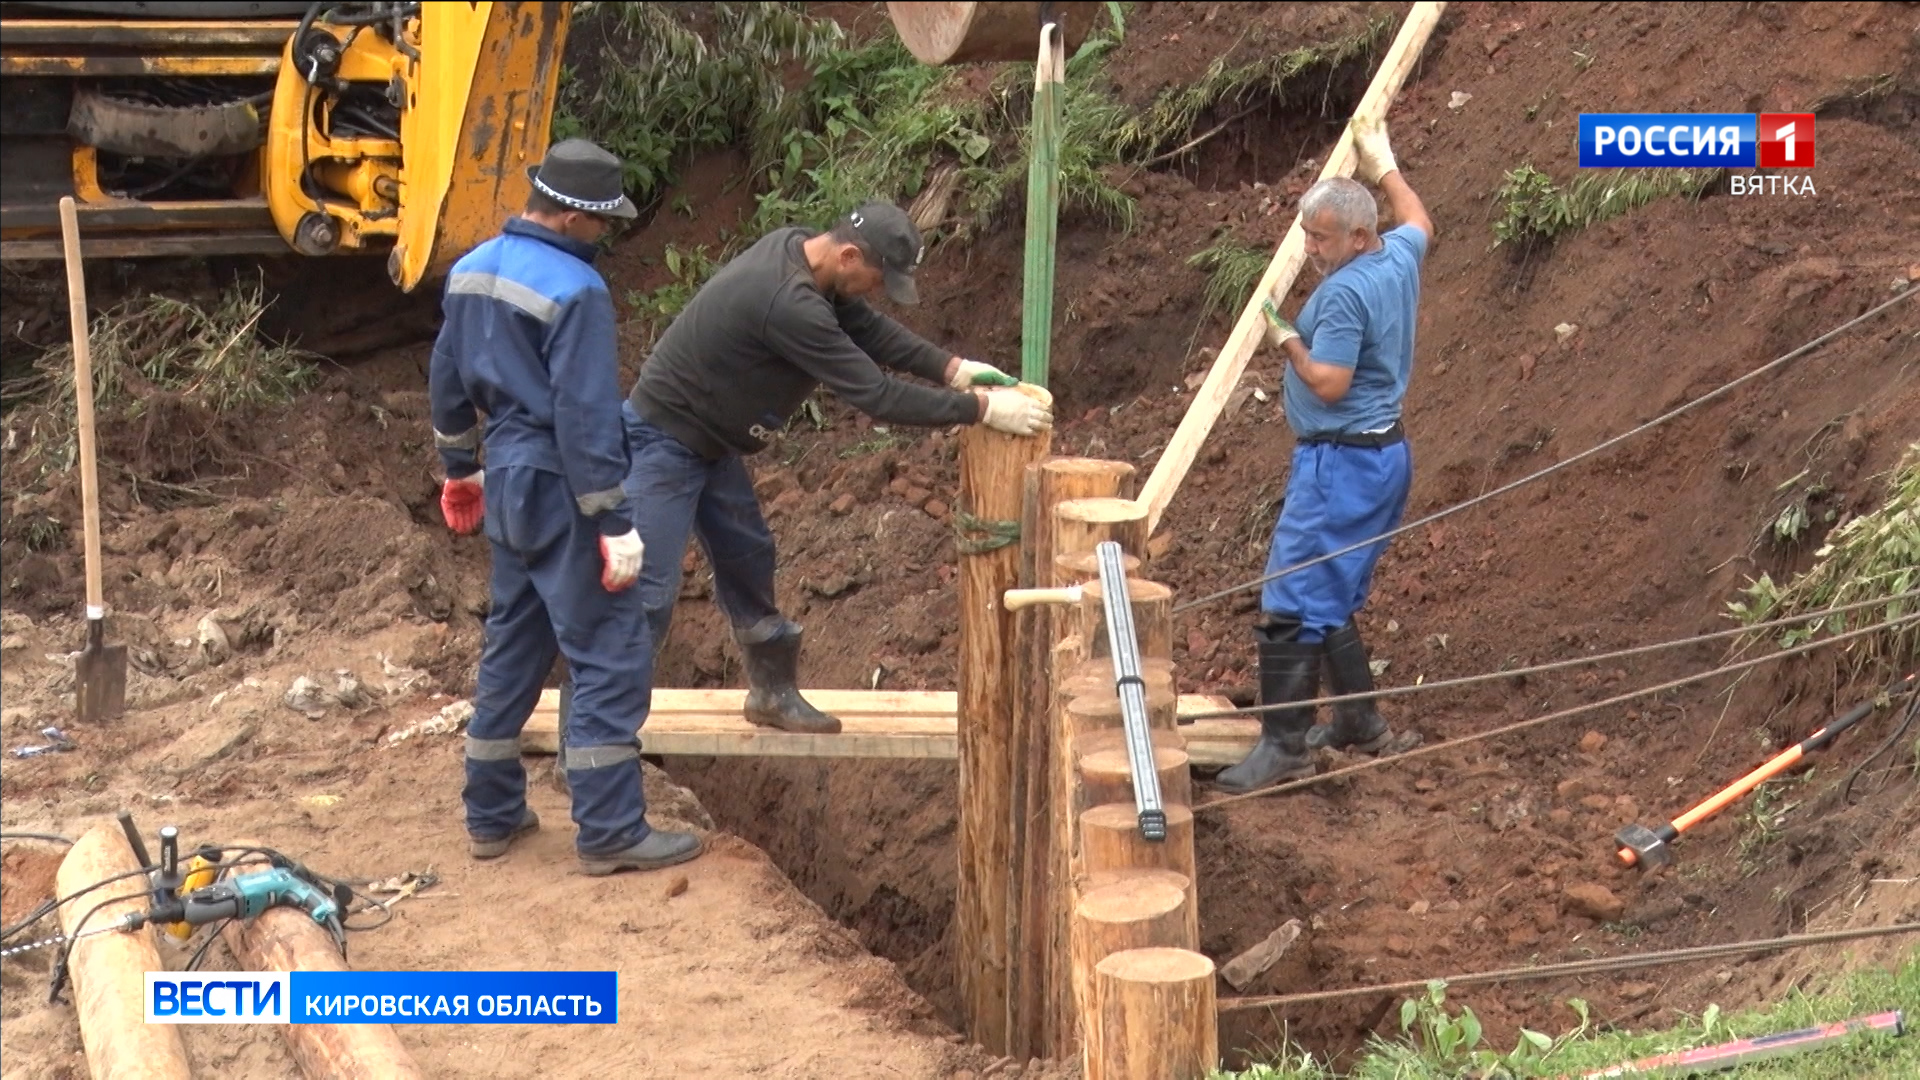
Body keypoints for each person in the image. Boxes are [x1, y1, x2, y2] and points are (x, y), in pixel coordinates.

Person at [605, 201, 1051, 735]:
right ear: (848, 255)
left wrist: (953, 369)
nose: (877, 291)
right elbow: (877, 395)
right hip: (662, 440)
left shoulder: (802, 252)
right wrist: (981, 408)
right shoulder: (788, 302)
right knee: (646, 595)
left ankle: (771, 695)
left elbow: (869, 329)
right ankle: (595, 745)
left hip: (711, 444)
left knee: (749, 556)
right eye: (877, 278)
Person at [430, 138, 702, 875]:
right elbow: (584, 413)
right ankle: (611, 829)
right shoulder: (576, 290)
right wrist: (614, 520)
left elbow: (447, 380)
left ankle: (490, 815)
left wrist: (459, 469)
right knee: (609, 651)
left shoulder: (469, 270)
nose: (604, 235)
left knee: (514, 644)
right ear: (576, 218)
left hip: (506, 483)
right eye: (602, 222)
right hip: (559, 484)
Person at [1214, 117, 1435, 794]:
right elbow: (1421, 220)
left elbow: (1330, 383)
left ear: (1359, 236)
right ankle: (1359, 721)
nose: (1310, 249)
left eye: (1323, 238)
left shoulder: (1342, 294)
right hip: (1382, 457)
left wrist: (1282, 336)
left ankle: (1284, 748)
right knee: (1331, 591)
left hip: (1339, 463)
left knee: (1291, 594)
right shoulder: (1395, 257)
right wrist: (1385, 164)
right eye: (1306, 234)